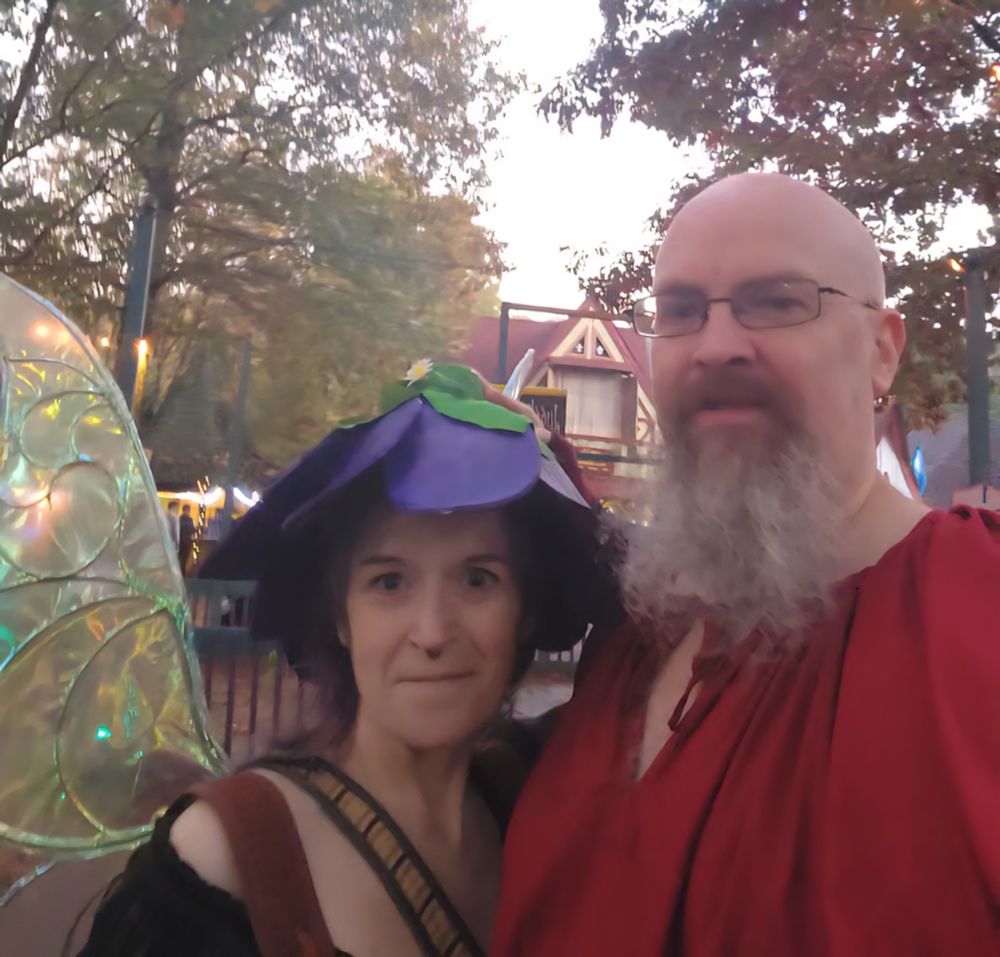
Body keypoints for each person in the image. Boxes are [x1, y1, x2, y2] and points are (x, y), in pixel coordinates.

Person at [491, 174, 1000, 955]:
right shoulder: (631, 637)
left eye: (777, 300)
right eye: (680, 310)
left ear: (881, 351)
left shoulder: (979, 612)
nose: (718, 344)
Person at [78, 363, 610, 957]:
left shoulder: (539, 810)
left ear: (526, 611)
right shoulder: (227, 859)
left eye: (478, 579)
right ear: (340, 617)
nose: (432, 632)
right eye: (389, 583)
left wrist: (554, 464)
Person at [178, 503, 196, 574]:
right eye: (188, 510)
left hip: (180, 540)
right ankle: (182, 572)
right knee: (184, 558)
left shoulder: (179, 519)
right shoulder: (189, 519)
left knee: (180, 557)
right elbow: (191, 529)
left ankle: (179, 571)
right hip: (187, 541)